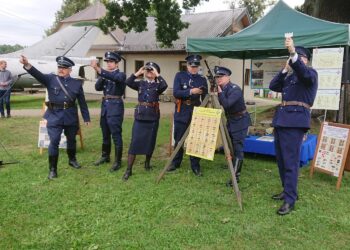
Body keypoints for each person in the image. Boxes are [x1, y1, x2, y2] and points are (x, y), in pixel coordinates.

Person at [20, 55, 91, 179]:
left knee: (71, 140)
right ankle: (52, 169)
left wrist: (86, 118)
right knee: (54, 141)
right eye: (59, 67)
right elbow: (38, 74)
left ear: (70, 70)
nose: (61, 69)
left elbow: (82, 102)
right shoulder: (50, 79)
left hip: (70, 116)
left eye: (64, 68)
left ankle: (72, 160)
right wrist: (27, 64)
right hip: (54, 116)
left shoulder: (77, 83)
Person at [269, 37, 318, 215]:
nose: (297, 60)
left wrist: (293, 53)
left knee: (290, 162)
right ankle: (287, 190)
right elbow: (273, 86)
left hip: (295, 122)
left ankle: (291, 199)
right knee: (282, 160)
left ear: (305, 60)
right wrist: (284, 69)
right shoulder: (289, 78)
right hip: (282, 121)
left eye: (300, 58)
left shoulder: (310, 74)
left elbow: (303, 73)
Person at [122, 62, 168, 181]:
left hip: (152, 117)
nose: (149, 72)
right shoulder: (140, 84)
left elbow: (165, 85)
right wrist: (138, 72)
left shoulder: (158, 86)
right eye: (148, 70)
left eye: (152, 70)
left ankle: (147, 164)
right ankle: (129, 170)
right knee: (135, 142)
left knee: (150, 141)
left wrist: (157, 74)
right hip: (140, 116)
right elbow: (128, 82)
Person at [167, 54, 208, 176]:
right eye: (191, 65)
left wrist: (203, 109)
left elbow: (205, 96)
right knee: (179, 138)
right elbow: (176, 92)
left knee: (196, 138)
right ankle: (176, 162)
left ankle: (195, 165)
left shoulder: (202, 79)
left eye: (196, 66)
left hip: (196, 109)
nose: (193, 68)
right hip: (182, 109)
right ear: (187, 65)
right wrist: (191, 91)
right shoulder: (180, 76)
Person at [91, 51, 126, 172]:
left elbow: (115, 78)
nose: (108, 64)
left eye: (111, 62)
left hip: (115, 107)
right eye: (107, 62)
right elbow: (97, 87)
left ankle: (118, 161)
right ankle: (105, 156)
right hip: (105, 107)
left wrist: (100, 70)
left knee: (116, 135)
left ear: (116, 63)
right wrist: (101, 75)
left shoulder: (121, 75)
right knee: (105, 134)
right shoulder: (105, 75)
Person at [216, 66, 251, 185]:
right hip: (231, 120)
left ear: (228, 77)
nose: (218, 79)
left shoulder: (234, 89)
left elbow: (226, 104)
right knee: (231, 144)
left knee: (238, 147)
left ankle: (236, 176)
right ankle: (233, 165)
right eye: (217, 77)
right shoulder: (223, 88)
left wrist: (219, 93)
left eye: (221, 76)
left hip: (240, 121)